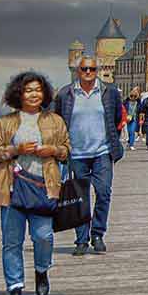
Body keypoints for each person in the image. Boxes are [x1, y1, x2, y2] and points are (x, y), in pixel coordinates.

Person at [0, 71, 70, 295]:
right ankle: (14, 285)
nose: (33, 94)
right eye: (28, 90)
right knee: (11, 240)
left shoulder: (55, 120)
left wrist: (52, 150)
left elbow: (66, 149)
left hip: (44, 187)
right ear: (19, 93)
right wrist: (15, 150)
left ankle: (41, 270)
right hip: (12, 187)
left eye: (37, 90)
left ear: (44, 93)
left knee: (43, 236)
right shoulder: (6, 122)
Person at [53, 57, 125, 256]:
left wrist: (111, 140)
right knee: (80, 198)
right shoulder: (65, 94)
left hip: (102, 152)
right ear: (77, 71)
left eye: (92, 69)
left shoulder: (109, 92)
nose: (88, 72)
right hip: (76, 154)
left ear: (97, 71)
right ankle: (82, 240)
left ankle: (98, 234)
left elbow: (117, 118)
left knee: (103, 192)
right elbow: (56, 120)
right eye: (84, 68)